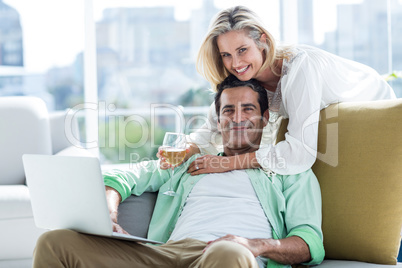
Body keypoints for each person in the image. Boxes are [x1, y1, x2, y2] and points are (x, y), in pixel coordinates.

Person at [33, 75, 325, 268]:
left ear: (263, 118)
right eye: (228, 111)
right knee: (54, 242)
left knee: (230, 253)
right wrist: (109, 212)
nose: (237, 119)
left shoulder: (290, 171)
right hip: (166, 255)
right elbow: (122, 178)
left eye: (248, 109)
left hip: (230, 255)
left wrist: (253, 245)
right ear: (218, 120)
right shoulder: (188, 162)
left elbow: (310, 243)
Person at [166, 5, 397, 176]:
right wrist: (188, 149)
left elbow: (300, 153)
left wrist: (227, 163)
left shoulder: (299, 68)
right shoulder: (244, 79)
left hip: (377, 107)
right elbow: (213, 129)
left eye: (242, 50)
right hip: (340, 120)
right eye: (226, 54)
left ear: (263, 41)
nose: (235, 63)